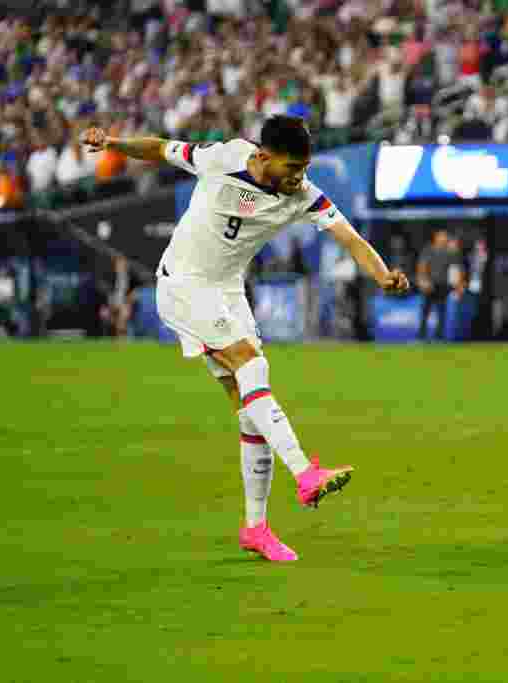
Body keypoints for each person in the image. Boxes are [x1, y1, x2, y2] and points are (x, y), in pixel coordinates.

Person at [80, 115, 410, 563]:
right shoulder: (223, 158)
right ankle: (305, 472)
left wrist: (383, 275)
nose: (298, 177)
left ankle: (256, 528)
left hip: (228, 290)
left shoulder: (303, 195)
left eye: (303, 168)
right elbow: (160, 149)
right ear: (262, 156)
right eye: (291, 167)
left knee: (251, 408)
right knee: (251, 364)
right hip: (184, 283)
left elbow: (349, 237)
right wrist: (113, 141)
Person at [417, 229, 454, 341]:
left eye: (445, 236)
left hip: (443, 285)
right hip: (430, 285)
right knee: (425, 311)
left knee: (442, 312)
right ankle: (422, 335)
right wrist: (423, 280)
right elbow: (422, 266)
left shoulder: (450, 252)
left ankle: (439, 336)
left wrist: (455, 284)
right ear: (436, 237)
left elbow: (454, 268)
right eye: (441, 236)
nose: (444, 238)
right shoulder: (428, 250)